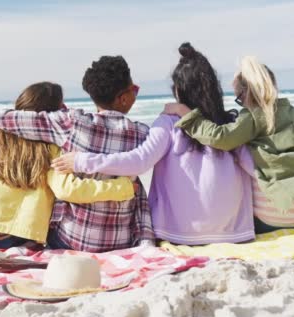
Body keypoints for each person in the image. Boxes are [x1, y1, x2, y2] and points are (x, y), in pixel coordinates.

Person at [51, 43, 255, 245]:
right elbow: (256, 170)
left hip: (179, 233)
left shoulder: (168, 123)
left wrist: (81, 161)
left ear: (179, 91)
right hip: (234, 232)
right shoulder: (231, 127)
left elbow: (139, 161)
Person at [0, 57, 156, 252]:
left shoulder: (72, 123)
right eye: (134, 90)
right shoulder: (142, 134)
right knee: (135, 187)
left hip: (71, 241)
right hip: (119, 243)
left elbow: (2, 118)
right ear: (123, 98)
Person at [0, 82, 136, 249]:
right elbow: (67, 190)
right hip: (5, 238)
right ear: (53, 114)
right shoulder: (52, 148)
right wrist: (123, 187)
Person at [165, 56, 294, 233]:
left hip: (264, 221)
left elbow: (220, 138)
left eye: (239, 98)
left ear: (247, 92)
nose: (241, 104)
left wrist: (187, 115)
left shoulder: (253, 116)